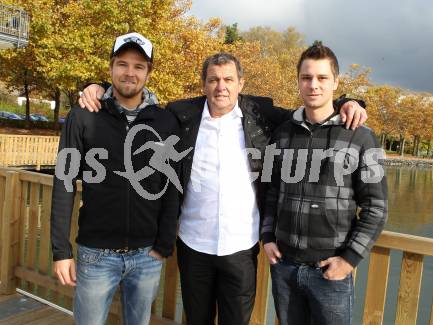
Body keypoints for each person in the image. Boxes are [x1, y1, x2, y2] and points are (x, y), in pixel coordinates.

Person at [79, 52, 367, 325]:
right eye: (214, 79)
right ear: (204, 84)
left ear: (240, 84)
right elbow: (136, 99)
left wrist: (350, 102)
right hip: (194, 244)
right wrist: (96, 87)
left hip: (241, 247)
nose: (221, 87)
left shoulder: (260, 113)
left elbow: (312, 108)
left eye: (228, 79)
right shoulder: (182, 114)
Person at [50, 32, 181, 325]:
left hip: (147, 256)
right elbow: (64, 181)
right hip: (96, 255)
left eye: (139, 66)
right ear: (111, 67)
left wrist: (163, 245)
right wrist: (61, 251)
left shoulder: (165, 121)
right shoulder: (83, 116)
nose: (130, 72)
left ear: (148, 72)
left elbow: (171, 187)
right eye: (123, 63)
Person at [261, 42, 388, 325]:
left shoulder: (362, 138)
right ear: (298, 82)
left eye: (322, 78)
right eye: (306, 78)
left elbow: (376, 207)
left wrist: (349, 260)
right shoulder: (281, 134)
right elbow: (271, 191)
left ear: (335, 82)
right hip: (285, 267)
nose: (313, 85)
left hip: (330, 271)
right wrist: (267, 236)